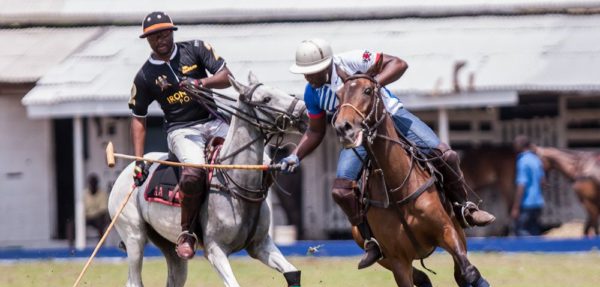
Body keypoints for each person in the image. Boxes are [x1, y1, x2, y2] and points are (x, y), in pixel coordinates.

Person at [282, 38, 495, 269]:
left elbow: (399, 64)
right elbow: (315, 131)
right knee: (341, 191)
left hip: (392, 118)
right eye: (304, 73)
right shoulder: (312, 93)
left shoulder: (353, 60)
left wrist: (372, 83)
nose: (308, 77)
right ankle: (371, 240)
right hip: (359, 137)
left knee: (445, 155)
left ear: (327, 65)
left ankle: (464, 208)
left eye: (312, 72)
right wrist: (296, 156)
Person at [128, 11, 233, 259]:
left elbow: (227, 77)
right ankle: (187, 232)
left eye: (164, 33)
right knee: (194, 170)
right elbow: (138, 117)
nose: (160, 39)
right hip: (182, 130)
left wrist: (202, 84)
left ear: (172, 32)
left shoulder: (196, 49)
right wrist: (139, 160)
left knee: (249, 153)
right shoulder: (145, 76)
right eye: (153, 36)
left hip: (214, 120)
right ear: (147, 40)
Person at [511, 135, 545, 236]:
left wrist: (516, 207)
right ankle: (537, 251)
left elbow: (522, 185)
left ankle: (528, 251)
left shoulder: (522, 161)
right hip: (538, 202)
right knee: (534, 230)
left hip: (527, 203)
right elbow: (543, 181)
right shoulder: (536, 159)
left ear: (519, 146)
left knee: (521, 229)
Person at [84, 173, 110, 238]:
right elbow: (82, 208)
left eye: (94, 183)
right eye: (91, 183)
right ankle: (71, 246)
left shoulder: (102, 194)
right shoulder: (84, 194)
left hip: (97, 218)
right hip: (86, 217)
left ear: (96, 184)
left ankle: (101, 244)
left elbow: (103, 210)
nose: (92, 185)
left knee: (101, 222)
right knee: (71, 223)